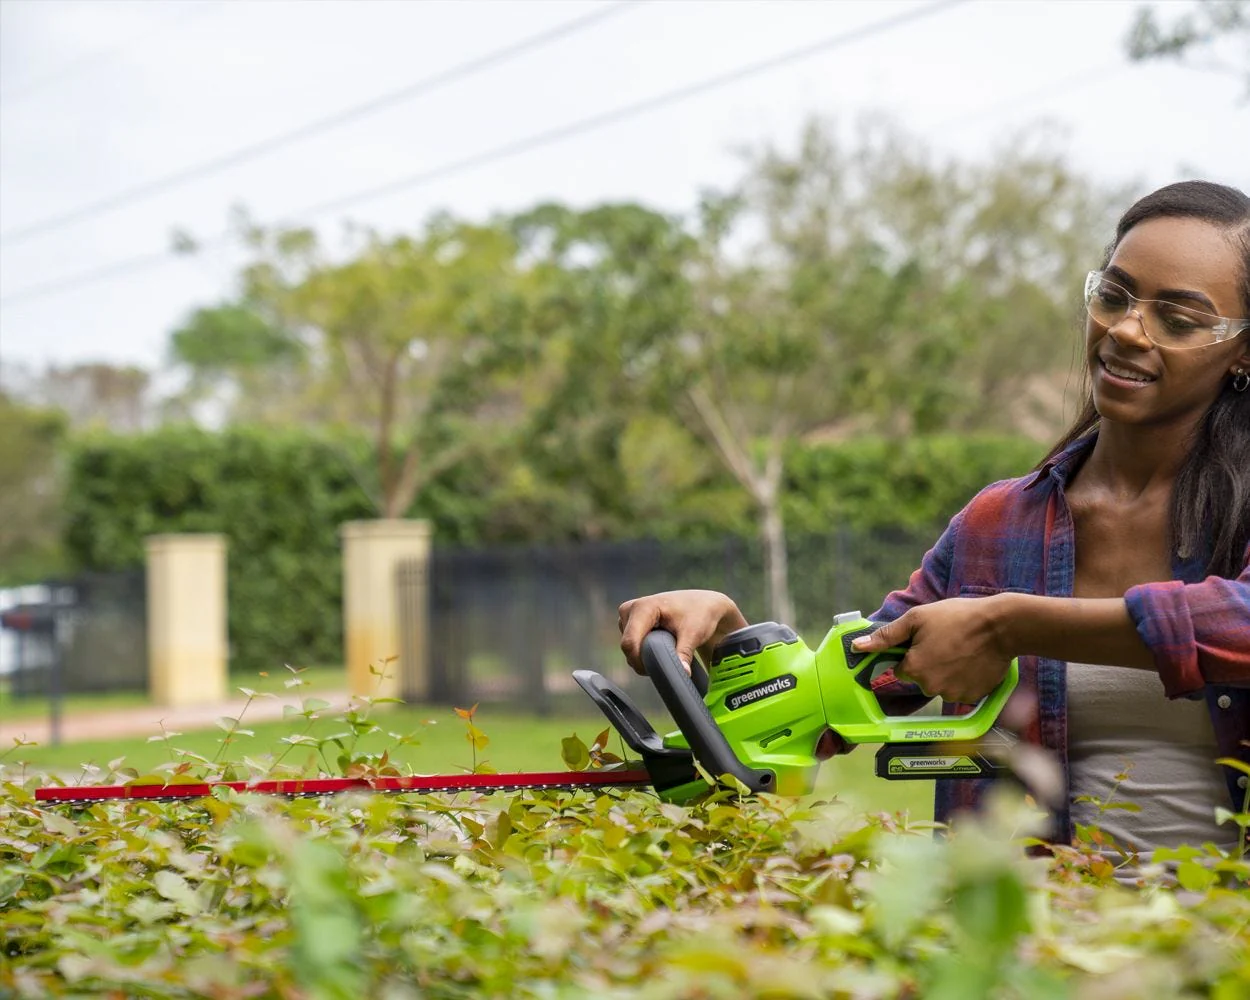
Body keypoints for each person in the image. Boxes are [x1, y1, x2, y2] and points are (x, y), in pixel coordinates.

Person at [618, 180, 1250, 861]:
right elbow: (852, 692)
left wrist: (1008, 623)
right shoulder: (996, 524)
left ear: (1242, 351)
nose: (1127, 330)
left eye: (1179, 320)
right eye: (1115, 296)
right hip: (1017, 948)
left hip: (1212, 952)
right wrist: (736, 639)